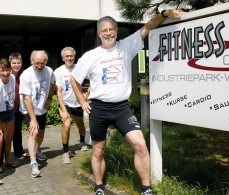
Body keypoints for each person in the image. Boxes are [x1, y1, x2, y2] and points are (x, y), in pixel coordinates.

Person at [70, 10, 184, 195]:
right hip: (98, 108)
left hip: (122, 108)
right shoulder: (90, 56)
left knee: (140, 145)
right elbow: (74, 80)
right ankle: (99, 186)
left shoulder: (126, 45)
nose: (108, 33)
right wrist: (82, 101)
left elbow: (147, 27)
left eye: (111, 29)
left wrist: (163, 14)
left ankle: (146, 189)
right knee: (98, 151)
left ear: (116, 30)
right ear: (99, 34)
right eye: (104, 30)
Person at [19, 50, 55, 177]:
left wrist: (49, 98)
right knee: (33, 132)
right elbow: (26, 99)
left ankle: (36, 150)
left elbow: (53, 83)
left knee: (41, 133)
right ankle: (33, 163)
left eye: (42, 63)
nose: (39, 66)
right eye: (37, 63)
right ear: (31, 61)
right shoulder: (26, 75)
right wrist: (33, 119)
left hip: (42, 109)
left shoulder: (49, 71)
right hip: (29, 109)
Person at [54, 47, 89, 164]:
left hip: (78, 103)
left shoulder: (80, 69)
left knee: (80, 124)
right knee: (67, 125)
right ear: (63, 58)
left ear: (74, 57)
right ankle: (65, 152)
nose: (69, 58)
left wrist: (87, 94)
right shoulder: (58, 72)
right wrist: (64, 110)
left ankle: (82, 142)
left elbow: (94, 79)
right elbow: (58, 92)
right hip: (65, 103)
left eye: (71, 56)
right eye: (67, 56)